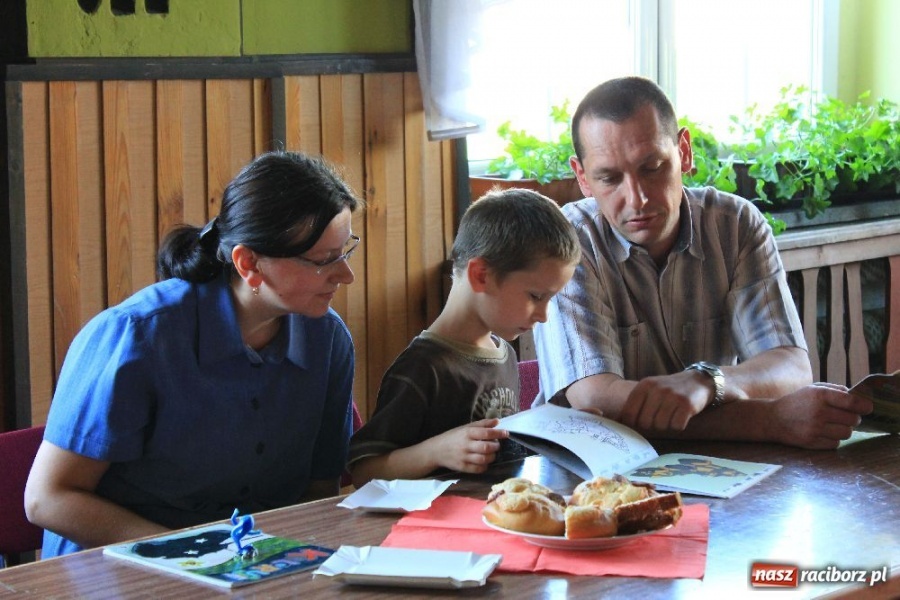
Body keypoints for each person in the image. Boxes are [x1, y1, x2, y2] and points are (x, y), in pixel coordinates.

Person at [25, 150, 362, 557]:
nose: (346, 275)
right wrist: (193, 554)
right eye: (324, 260)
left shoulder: (329, 340)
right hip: (116, 567)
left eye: (346, 251)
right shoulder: (138, 336)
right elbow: (48, 498)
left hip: (247, 565)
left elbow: (319, 489)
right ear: (249, 262)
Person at [533, 76, 873, 449]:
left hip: (716, 465)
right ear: (582, 177)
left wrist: (707, 382)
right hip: (585, 472)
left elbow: (790, 367)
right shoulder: (566, 240)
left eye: (652, 168)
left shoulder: (736, 224)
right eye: (609, 178)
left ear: (684, 151)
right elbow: (597, 403)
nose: (638, 199)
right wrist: (768, 420)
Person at [348, 188, 581, 487]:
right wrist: (436, 452)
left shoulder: (504, 353)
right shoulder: (423, 367)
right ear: (481, 275)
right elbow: (364, 471)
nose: (543, 315)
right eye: (536, 296)